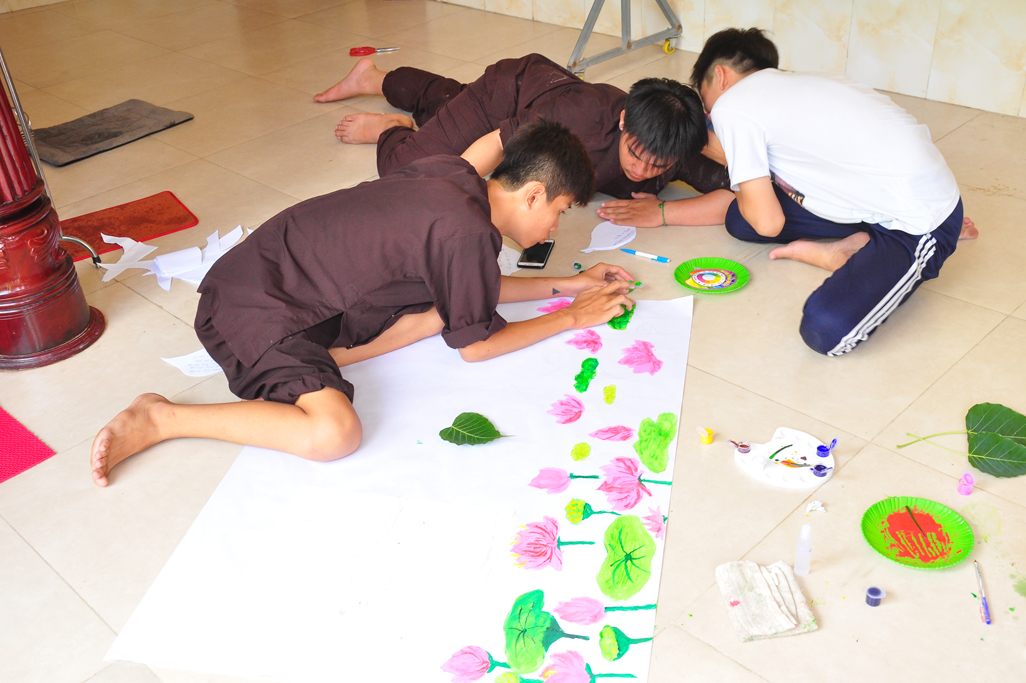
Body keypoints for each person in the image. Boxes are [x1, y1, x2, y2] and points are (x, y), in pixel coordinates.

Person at [90, 121, 635, 486]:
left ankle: (326, 358)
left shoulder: (454, 178)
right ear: (534, 194)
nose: (554, 227)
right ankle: (162, 418)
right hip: (256, 315)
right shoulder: (466, 232)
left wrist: (571, 284)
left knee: (433, 314)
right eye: (560, 210)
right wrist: (572, 318)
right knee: (336, 433)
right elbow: (476, 346)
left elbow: (473, 286)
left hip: (259, 280)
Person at [691, 28, 978, 356]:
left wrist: (717, 149)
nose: (710, 116)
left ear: (720, 76)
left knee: (825, 328)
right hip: (884, 195)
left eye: (706, 102)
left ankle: (920, 241)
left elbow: (768, 224)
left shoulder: (730, 106)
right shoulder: (800, 83)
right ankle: (858, 244)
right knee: (740, 220)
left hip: (919, 221)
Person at [314, 53, 735, 228]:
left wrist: (662, 212)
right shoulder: (583, 118)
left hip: (538, 106)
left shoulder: (675, 144)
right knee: (406, 171)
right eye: (635, 154)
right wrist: (454, 203)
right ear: (624, 120)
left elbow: (745, 194)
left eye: (658, 166)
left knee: (449, 104)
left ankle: (373, 77)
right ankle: (391, 128)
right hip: (505, 95)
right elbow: (498, 144)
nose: (642, 171)